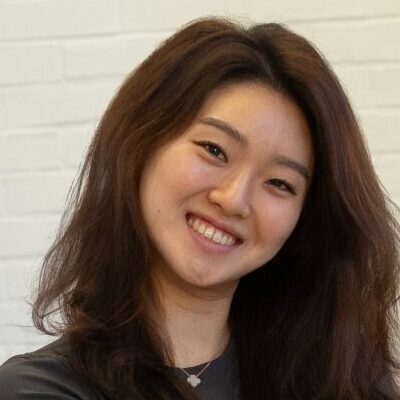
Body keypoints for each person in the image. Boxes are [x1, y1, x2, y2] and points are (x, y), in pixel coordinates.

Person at [0, 16, 399, 400]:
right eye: (214, 150)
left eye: (279, 183)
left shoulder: (346, 382)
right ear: (141, 143)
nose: (234, 199)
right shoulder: (40, 389)